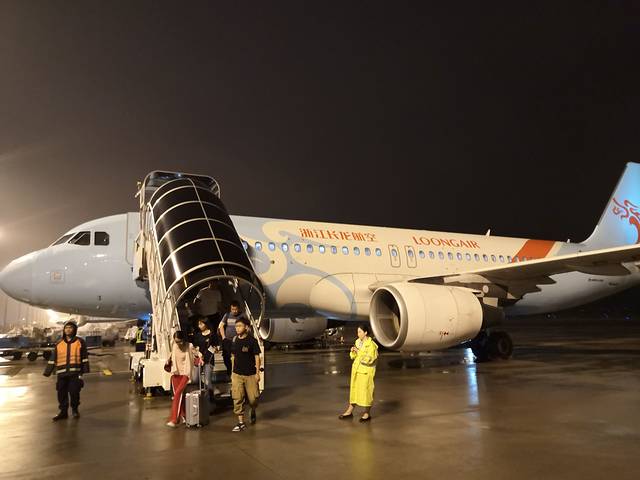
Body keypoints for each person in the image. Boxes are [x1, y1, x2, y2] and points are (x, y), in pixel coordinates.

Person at [43, 321, 90, 421]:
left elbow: (84, 357)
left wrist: (84, 370)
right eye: (66, 328)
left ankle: (75, 410)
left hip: (74, 373)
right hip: (62, 373)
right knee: (61, 393)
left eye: (70, 328)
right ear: (64, 330)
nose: (68, 329)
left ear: (74, 330)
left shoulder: (80, 342)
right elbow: (53, 358)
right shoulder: (59, 343)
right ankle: (63, 412)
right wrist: (47, 371)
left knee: (74, 392)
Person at [339, 324, 378, 422]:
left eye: (360, 332)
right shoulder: (357, 342)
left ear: (365, 333)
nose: (358, 334)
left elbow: (369, 360)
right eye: (357, 332)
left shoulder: (371, 345)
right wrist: (353, 351)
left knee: (366, 392)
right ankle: (349, 410)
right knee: (354, 391)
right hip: (356, 371)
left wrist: (359, 352)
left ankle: (367, 413)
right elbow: (353, 357)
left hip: (366, 373)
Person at [230, 317, 261, 432]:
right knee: (237, 398)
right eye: (236, 326)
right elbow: (233, 356)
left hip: (250, 375)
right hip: (237, 374)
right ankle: (241, 423)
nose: (237, 328)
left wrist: (257, 373)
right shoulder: (234, 340)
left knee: (253, 399)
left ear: (246, 327)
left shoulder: (252, 341)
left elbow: (257, 357)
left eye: (240, 326)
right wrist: (232, 373)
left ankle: (252, 409)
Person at [166, 330, 202, 428]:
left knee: (177, 395)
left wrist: (200, 359)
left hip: (185, 374)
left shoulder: (189, 346)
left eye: (180, 341)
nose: (178, 343)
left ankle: (174, 419)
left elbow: (197, 353)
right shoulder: (174, 345)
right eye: (176, 341)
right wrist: (168, 360)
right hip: (175, 374)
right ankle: (184, 416)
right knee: (179, 396)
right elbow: (171, 355)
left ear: (183, 339)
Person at [192, 316, 220, 397]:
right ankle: (208, 390)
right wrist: (198, 353)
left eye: (201, 324)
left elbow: (217, 347)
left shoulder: (212, 334)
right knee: (195, 379)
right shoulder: (198, 335)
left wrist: (214, 349)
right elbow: (195, 347)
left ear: (206, 324)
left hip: (209, 359)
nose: (199, 326)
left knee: (208, 380)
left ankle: (210, 397)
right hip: (199, 359)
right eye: (199, 324)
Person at [219, 300, 247, 376]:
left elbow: (247, 327)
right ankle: (229, 371)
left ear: (239, 308)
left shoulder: (242, 316)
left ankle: (236, 372)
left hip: (238, 340)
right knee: (226, 357)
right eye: (232, 309)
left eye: (236, 309)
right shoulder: (227, 315)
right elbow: (221, 326)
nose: (234, 311)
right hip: (227, 340)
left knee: (237, 357)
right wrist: (223, 337)